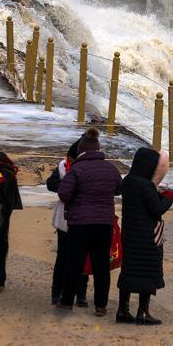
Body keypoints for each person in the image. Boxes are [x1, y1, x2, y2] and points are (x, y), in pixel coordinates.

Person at [56, 128, 123, 317]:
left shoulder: (77, 169)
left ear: (82, 151)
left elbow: (64, 193)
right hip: (103, 223)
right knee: (101, 265)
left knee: (74, 263)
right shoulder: (111, 168)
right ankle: (101, 306)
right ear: (98, 149)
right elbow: (119, 189)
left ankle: (67, 302)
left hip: (79, 224)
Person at [116, 148, 173, 325]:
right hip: (147, 236)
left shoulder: (128, 181)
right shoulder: (145, 185)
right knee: (147, 272)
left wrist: (157, 195)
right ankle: (143, 313)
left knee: (129, 270)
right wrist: (169, 197)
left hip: (130, 233)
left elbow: (140, 203)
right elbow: (157, 210)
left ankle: (122, 310)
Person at [46, 136, 89, 307]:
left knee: (76, 259)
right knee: (67, 259)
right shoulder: (63, 166)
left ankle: (76, 295)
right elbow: (51, 184)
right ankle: (61, 294)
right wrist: (67, 186)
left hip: (77, 219)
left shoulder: (76, 167)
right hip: (70, 220)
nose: (68, 160)